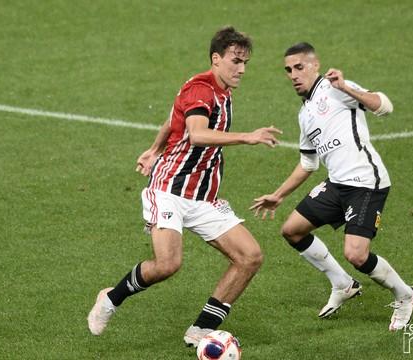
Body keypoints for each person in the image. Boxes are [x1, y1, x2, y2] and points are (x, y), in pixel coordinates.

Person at [87, 26, 282, 347]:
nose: (242, 69)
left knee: (250, 256)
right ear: (216, 59)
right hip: (168, 190)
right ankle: (110, 298)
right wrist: (247, 136)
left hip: (203, 197)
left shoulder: (221, 91)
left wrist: (153, 148)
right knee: (168, 264)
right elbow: (197, 133)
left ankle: (202, 329)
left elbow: (171, 120)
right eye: (236, 61)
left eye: (246, 62)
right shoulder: (201, 89)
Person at [250, 42, 413, 331]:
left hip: (366, 183)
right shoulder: (304, 114)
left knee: (356, 254)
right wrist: (278, 195)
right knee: (292, 230)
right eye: (288, 70)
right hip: (337, 184)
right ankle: (342, 284)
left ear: (315, 65)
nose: (293, 75)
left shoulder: (337, 89)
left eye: (299, 67)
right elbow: (308, 163)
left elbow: (385, 107)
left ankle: (405, 294)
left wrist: (346, 88)